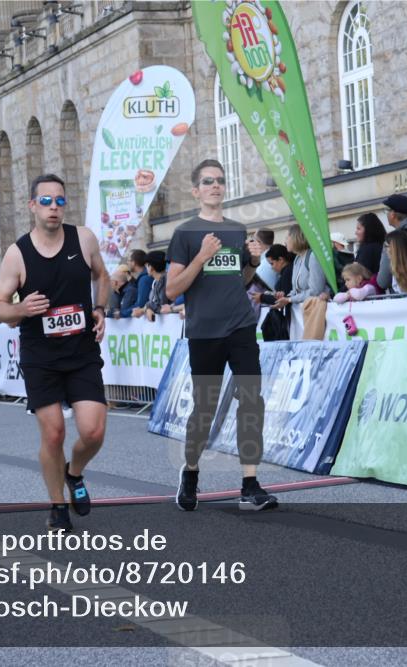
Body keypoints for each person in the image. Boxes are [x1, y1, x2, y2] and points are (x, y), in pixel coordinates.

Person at [0, 173, 110, 532]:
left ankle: (74, 474)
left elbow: (102, 276)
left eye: (60, 200)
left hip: (82, 351)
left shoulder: (83, 238)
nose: (54, 207)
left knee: (92, 432)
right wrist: (22, 309)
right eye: (46, 201)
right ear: (32, 206)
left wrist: (101, 309)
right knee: (54, 433)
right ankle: (57, 505)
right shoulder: (18, 253)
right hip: (40, 355)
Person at [166, 158, 278, 511]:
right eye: (208, 181)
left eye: (220, 181)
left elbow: (238, 280)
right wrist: (201, 257)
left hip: (241, 326)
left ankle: (250, 484)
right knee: (205, 409)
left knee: (251, 402)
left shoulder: (235, 228)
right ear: (196, 191)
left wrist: (253, 264)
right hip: (205, 331)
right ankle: (191, 472)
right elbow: (172, 289)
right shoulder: (185, 233)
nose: (215, 186)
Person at [271, 224, 327, 310]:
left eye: (287, 237)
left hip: (316, 309)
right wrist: (286, 296)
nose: (285, 241)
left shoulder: (313, 256)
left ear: (295, 237)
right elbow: (296, 290)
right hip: (303, 310)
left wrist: (289, 299)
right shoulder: (297, 258)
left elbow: (315, 291)